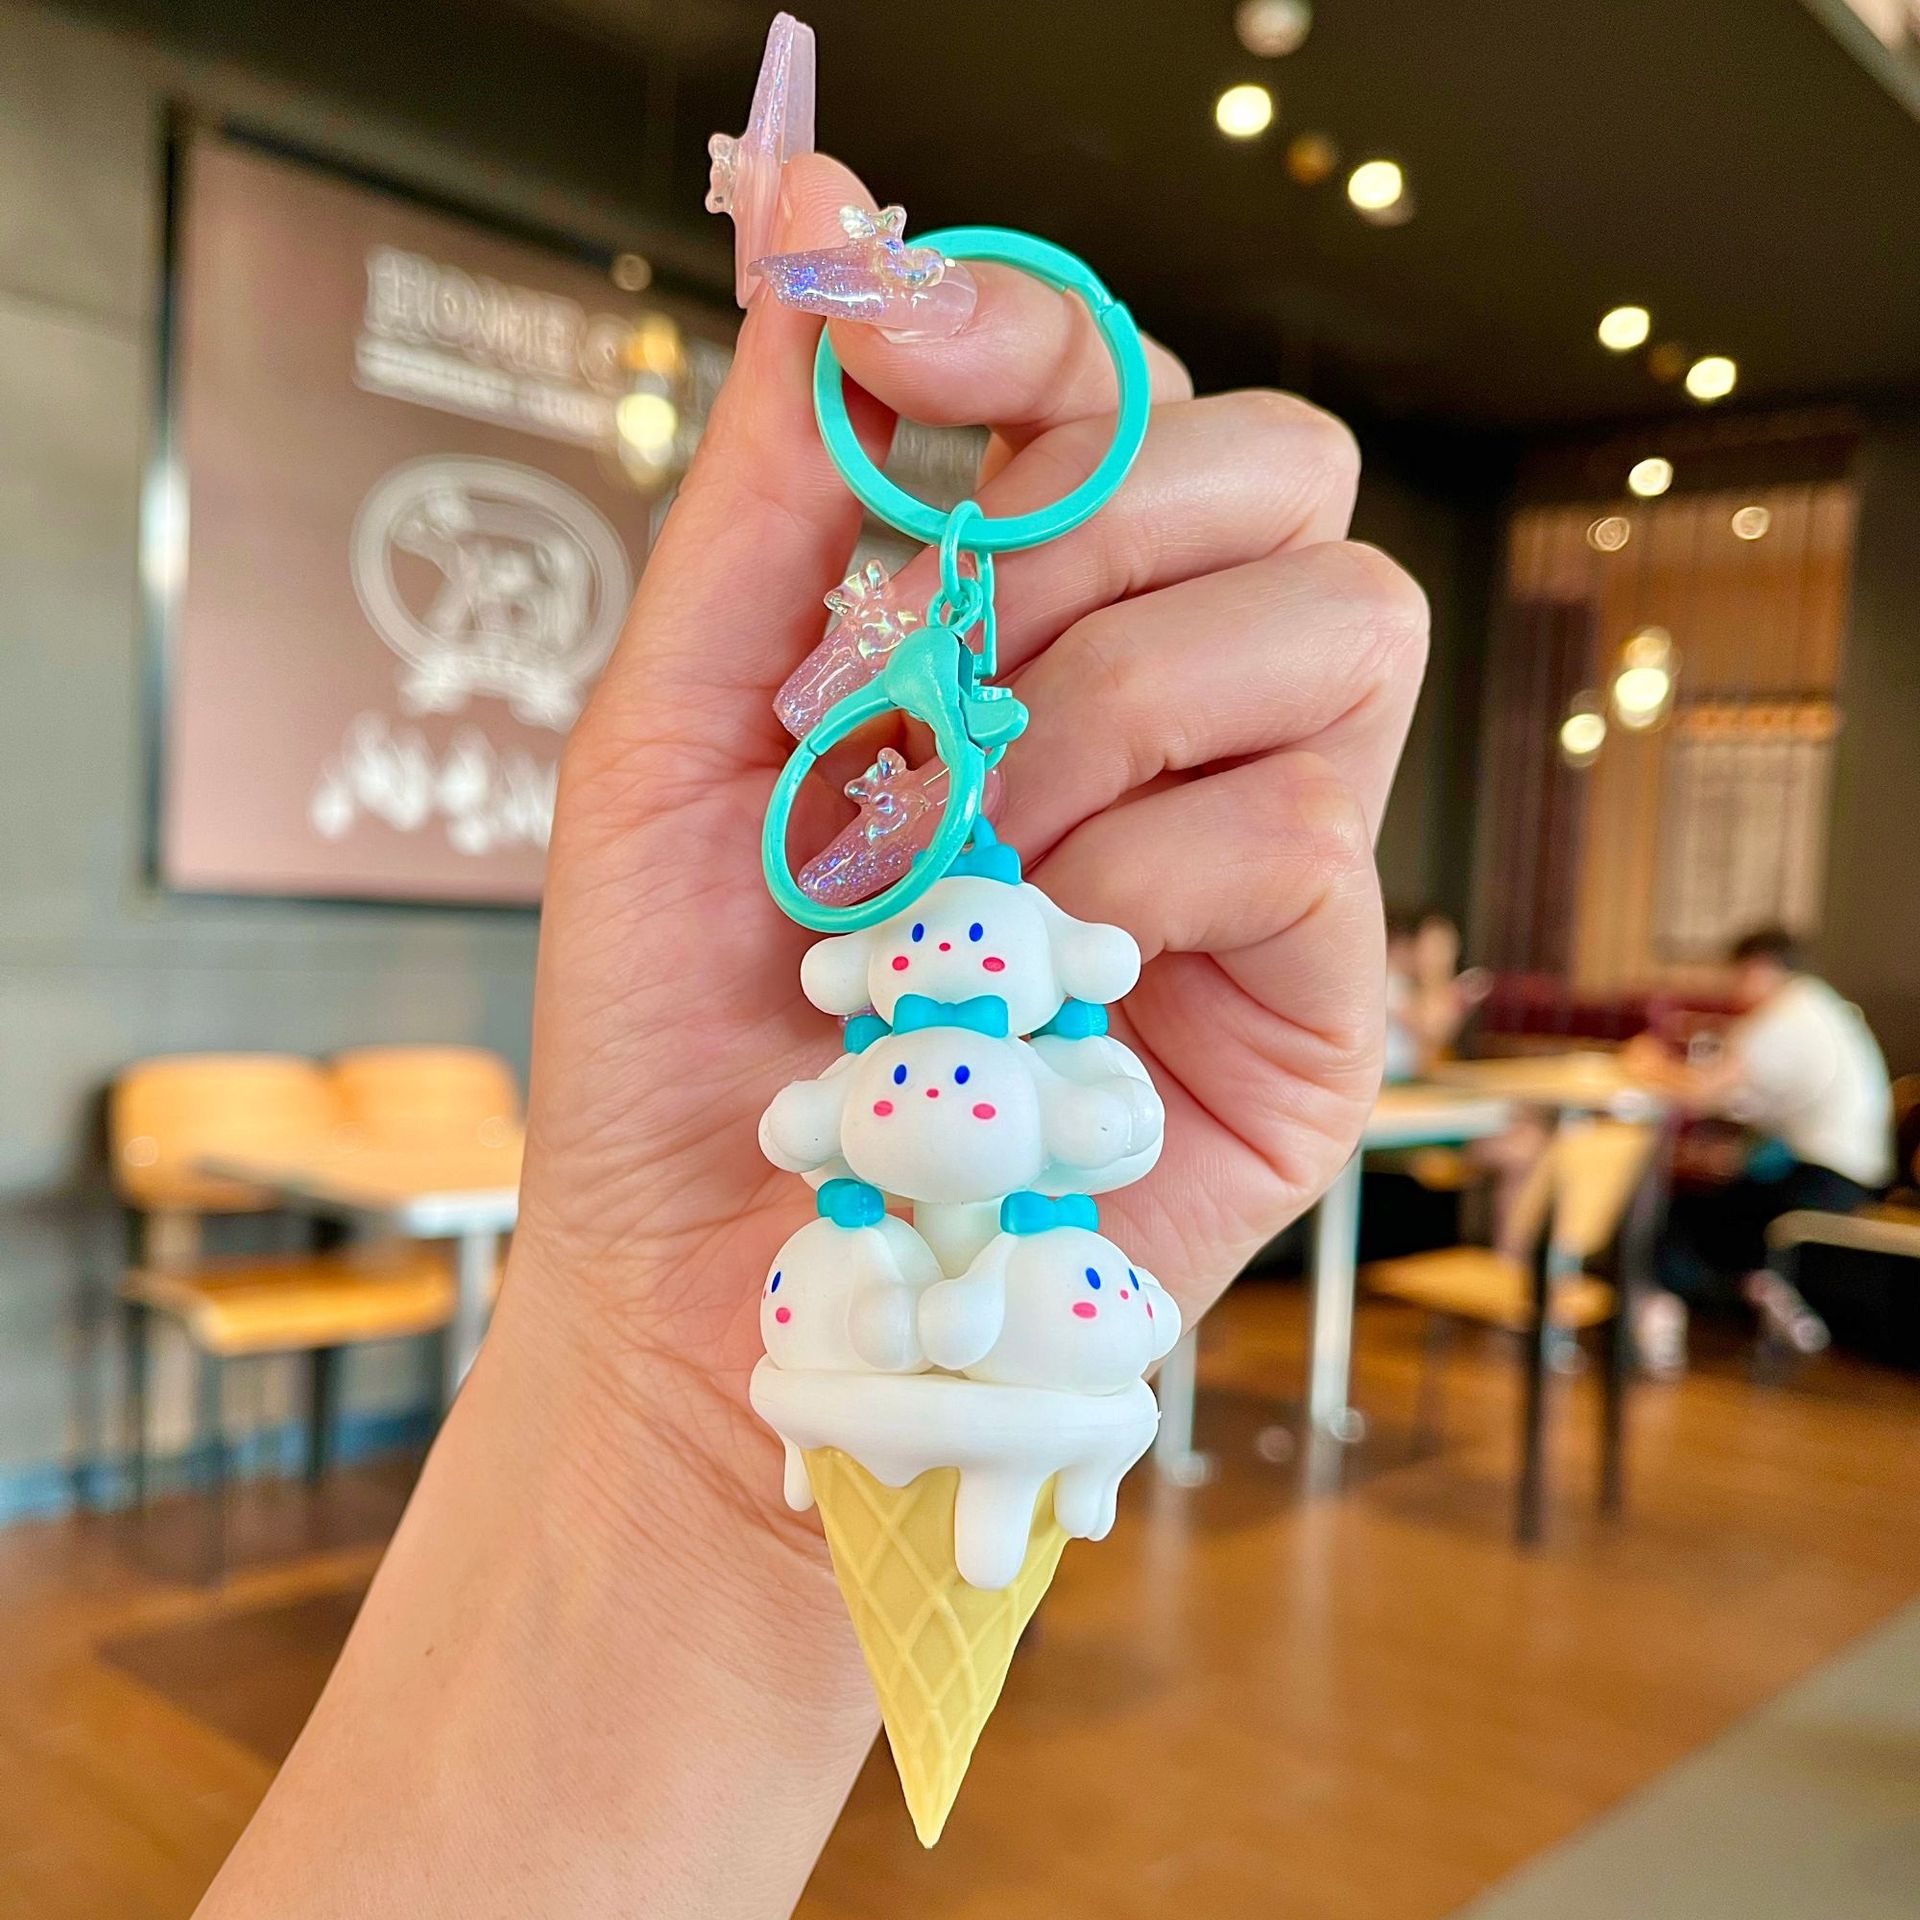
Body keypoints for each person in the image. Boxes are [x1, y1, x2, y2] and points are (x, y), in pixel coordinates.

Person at [190, 148, 1427, 1917]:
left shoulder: (1021, 1066)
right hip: (878, 1322)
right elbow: (814, 1140)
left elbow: (971, 1126)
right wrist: (655, 1420)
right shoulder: (899, 1071)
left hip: (924, 1316)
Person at [1627, 926, 1893, 1366]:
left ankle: (1662, 1329)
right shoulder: (1817, 1005)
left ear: (1759, 968)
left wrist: (1646, 1062)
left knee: (1678, 1216)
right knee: (1722, 1202)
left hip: (1824, 1183)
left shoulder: (1787, 1015)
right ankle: (1766, 1292)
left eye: (1736, 975)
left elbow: (1701, 1093)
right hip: (1848, 1177)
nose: (1732, 989)